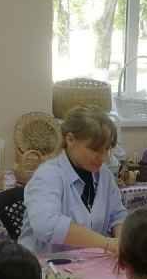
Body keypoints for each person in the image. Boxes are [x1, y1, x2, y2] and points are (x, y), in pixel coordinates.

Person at [19, 106, 127, 257]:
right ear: (70, 139)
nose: (103, 158)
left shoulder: (104, 175)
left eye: (107, 149)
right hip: (42, 265)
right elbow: (47, 226)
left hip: (88, 263)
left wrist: (121, 243)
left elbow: (118, 215)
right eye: (95, 149)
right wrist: (106, 243)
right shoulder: (48, 175)